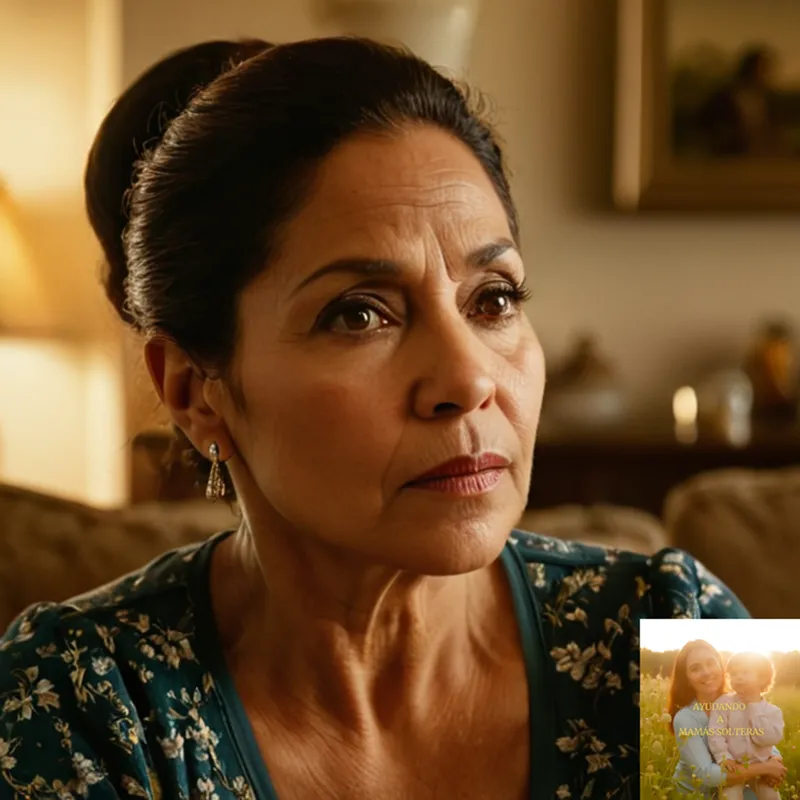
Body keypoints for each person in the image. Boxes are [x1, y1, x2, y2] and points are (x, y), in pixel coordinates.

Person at [0, 36, 751, 799]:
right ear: (197, 391)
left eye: (493, 300)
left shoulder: (685, 631)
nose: (467, 380)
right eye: (359, 315)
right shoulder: (76, 704)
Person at [669, 641, 786, 798]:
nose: (706, 672)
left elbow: (754, 735)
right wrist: (765, 768)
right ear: (687, 678)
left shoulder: (739, 701)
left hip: (737, 782)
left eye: (711, 663)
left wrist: (775, 758)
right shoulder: (685, 718)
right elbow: (707, 774)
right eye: (695, 669)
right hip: (698, 793)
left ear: (721, 666)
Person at [708, 652, 785, 800]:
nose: (739, 677)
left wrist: (754, 706)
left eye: (745, 672)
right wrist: (723, 757)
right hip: (734, 767)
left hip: (762, 769)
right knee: (729, 796)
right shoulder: (723, 703)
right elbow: (716, 733)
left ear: (762, 678)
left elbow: (767, 739)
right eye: (734, 674)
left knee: (771, 796)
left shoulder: (772, 711)